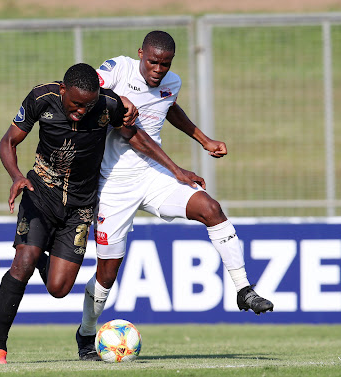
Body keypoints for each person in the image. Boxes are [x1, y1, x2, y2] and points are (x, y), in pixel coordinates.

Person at [75, 31, 274, 361]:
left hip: (155, 178)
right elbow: (100, 100)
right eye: (152, 61)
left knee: (211, 208)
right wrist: (116, 99)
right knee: (107, 273)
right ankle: (85, 332)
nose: (157, 69)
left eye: (164, 64)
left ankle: (243, 290)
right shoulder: (118, 69)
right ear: (140, 54)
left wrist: (204, 139)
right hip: (114, 187)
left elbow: (170, 107)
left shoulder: (172, 82)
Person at [0, 62, 201, 364]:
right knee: (22, 261)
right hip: (40, 193)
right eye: (75, 105)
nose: (81, 111)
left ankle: (35, 253)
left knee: (59, 289)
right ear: (63, 90)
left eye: (87, 105)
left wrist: (176, 170)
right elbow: (8, 141)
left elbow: (135, 137)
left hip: (81, 205)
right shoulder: (40, 97)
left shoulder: (107, 104)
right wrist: (16, 176)